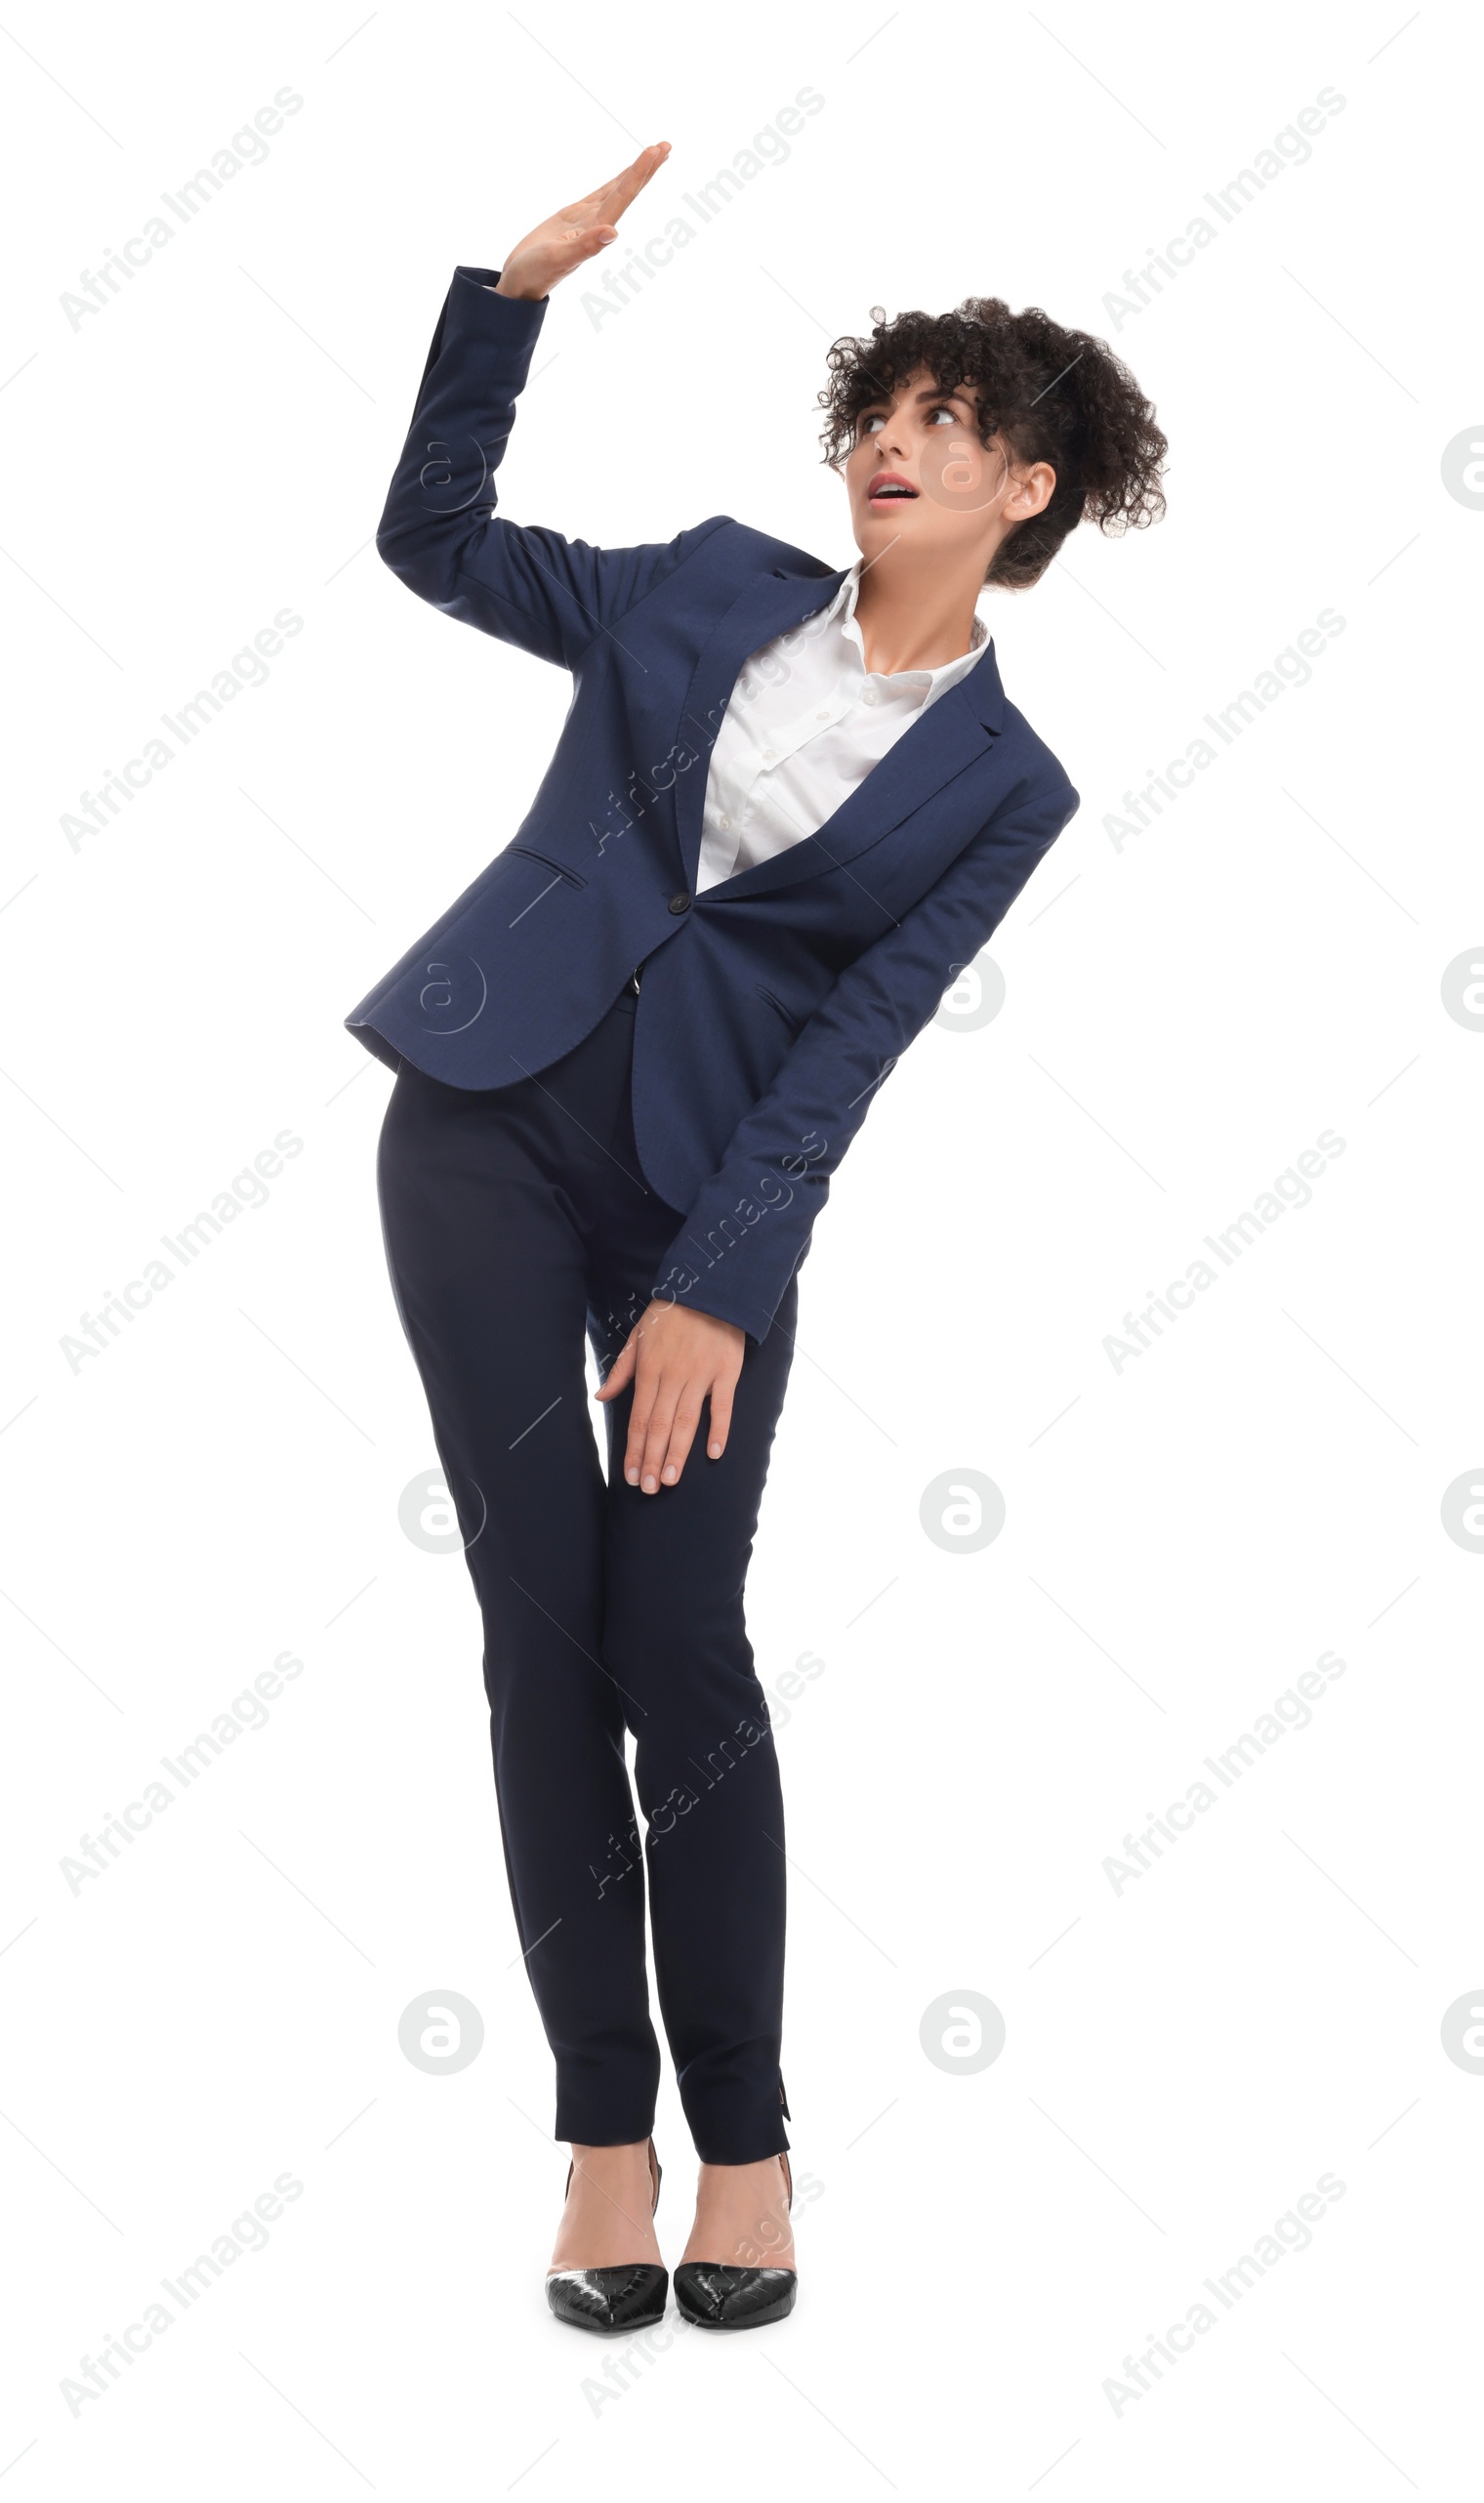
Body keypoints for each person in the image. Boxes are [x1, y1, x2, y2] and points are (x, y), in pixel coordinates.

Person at [346, 143, 1167, 2333]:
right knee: (543, 1634)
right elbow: (431, 543)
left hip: (710, 1194)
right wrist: (501, 299)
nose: (892, 440)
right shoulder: (700, 584)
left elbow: (854, 1040)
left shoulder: (1007, 787)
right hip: (484, 1125)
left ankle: (749, 2139)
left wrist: (714, 1275)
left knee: (676, 1654)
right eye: (875, 409)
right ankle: (601, 2147)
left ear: (1030, 490)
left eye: (946, 423)